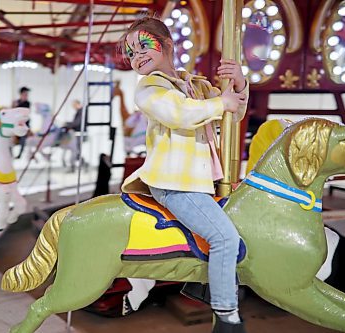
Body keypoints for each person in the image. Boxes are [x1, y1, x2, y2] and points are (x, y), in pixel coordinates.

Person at [119, 17, 248, 332]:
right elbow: (178, 114)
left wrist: (240, 84)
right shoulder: (149, 87)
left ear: (166, 44)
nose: (137, 57)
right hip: (174, 184)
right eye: (131, 53)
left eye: (143, 46)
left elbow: (234, 112)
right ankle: (227, 317)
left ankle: (201, 284)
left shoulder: (196, 84)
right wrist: (221, 102)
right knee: (225, 238)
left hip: (200, 181)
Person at [12, 87, 31, 158]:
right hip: (15, 124)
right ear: (21, 94)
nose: (26, 96)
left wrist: (16, 106)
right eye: (25, 94)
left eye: (27, 94)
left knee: (23, 138)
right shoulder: (16, 102)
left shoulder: (27, 103)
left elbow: (24, 112)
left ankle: (20, 154)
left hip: (24, 124)